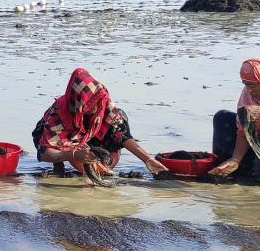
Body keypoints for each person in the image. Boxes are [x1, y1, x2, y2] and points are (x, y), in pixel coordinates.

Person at [32, 67, 168, 177]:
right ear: (78, 102)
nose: (96, 107)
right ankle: (59, 166)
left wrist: (148, 160)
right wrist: (73, 154)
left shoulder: (103, 101)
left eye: (98, 102)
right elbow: (44, 153)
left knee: (119, 117)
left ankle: (100, 166)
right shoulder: (60, 113)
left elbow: (123, 135)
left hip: (90, 137)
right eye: (90, 104)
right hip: (70, 141)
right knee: (56, 142)